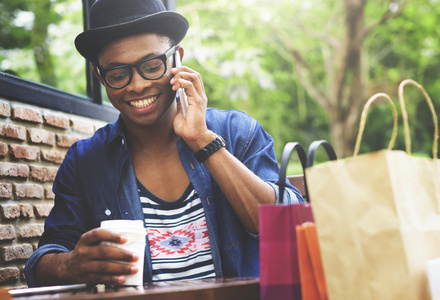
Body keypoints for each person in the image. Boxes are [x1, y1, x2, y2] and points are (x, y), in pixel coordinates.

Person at [24, 0, 303, 287]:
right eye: (118, 74)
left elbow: (289, 226)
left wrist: (203, 141)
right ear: (99, 77)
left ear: (177, 59)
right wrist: (70, 265)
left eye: (151, 66)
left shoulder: (236, 131)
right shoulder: (86, 161)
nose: (137, 85)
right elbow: (42, 262)